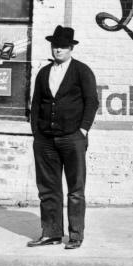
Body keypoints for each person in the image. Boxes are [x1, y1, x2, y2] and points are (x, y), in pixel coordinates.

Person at [27, 26, 99, 250]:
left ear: (71, 48)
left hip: (72, 138)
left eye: (63, 46)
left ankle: (76, 235)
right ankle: (51, 233)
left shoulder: (82, 71)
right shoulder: (44, 72)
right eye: (55, 46)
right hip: (45, 140)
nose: (58, 50)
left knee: (76, 190)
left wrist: (83, 130)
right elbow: (36, 103)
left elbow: (92, 102)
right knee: (48, 189)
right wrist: (37, 133)